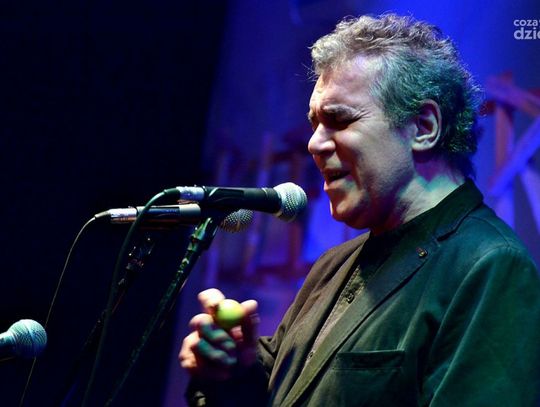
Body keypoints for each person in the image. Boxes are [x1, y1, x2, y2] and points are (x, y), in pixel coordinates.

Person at [179, 13, 540, 406]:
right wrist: (230, 375)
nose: (314, 144)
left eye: (338, 119)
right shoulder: (332, 266)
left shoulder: (490, 266)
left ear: (423, 127)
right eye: (315, 124)